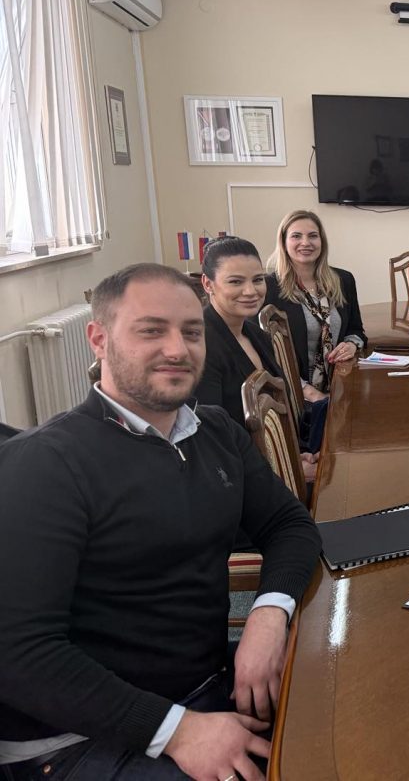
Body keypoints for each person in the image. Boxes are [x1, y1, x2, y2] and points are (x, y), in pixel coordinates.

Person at [0, 263, 321, 781]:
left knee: (344, 713)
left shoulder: (214, 432)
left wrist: (267, 614)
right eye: (152, 330)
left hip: (204, 688)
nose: (178, 349)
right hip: (79, 739)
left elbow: (290, 525)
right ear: (98, 339)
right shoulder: (45, 463)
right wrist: (178, 730)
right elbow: (17, 653)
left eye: (191, 332)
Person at [264, 210, 366, 403]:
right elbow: (267, 354)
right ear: (284, 242)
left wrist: (352, 345)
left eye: (313, 236)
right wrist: (310, 393)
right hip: (297, 398)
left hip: (342, 388)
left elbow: (356, 330)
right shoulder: (269, 288)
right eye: (296, 236)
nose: (306, 243)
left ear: (322, 242)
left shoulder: (343, 280)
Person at [196, 236, 280, 425]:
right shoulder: (200, 345)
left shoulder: (258, 334)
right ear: (208, 284)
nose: (250, 291)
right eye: (235, 282)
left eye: (258, 280)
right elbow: (210, 432)